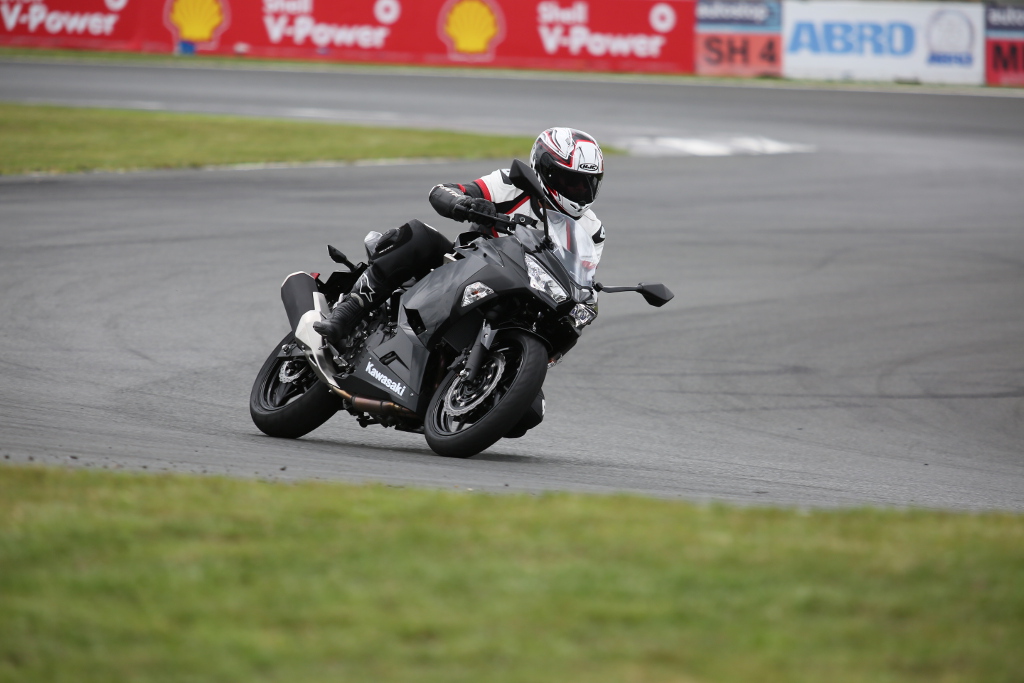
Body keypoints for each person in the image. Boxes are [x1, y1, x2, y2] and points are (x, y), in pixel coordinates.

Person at [313, 127, 607, 347]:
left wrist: (587, 300)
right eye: (572, 181)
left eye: (587, 184)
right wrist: (467, 204)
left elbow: (581, 277)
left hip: (525, 297)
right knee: (421, 235)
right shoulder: (512, 184)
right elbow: (442, 191)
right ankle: (348, 312)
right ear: (545, 170)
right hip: (468, 266)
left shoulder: (592, 230)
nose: (580, 192)